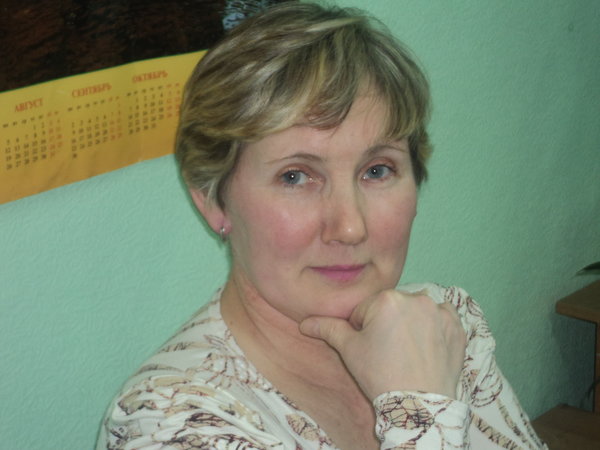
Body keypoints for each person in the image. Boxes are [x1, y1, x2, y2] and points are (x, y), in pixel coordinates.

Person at [97, 2, 547, 449]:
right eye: (295, 177)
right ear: (212, 199)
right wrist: (420, 412)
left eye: (377, 171)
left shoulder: (440, 328)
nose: (349, 228)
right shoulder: (169, 423)